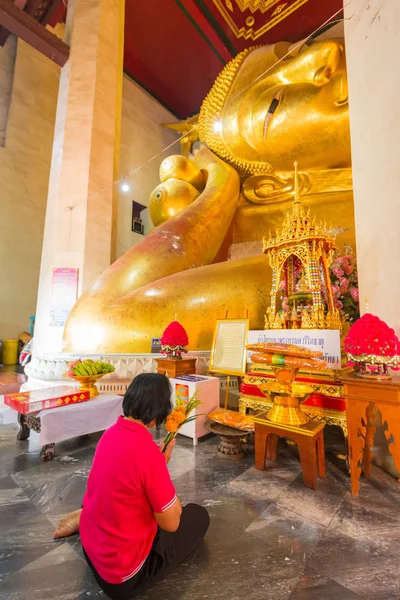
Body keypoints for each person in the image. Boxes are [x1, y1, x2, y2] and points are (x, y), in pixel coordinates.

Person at [53, 373, 210, 600]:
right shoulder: (148, 454)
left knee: (118, 492)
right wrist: (160, 467)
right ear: (158, 412)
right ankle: (86, 514)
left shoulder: (109, 434)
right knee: (197, 515)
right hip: (121, 578)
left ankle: (85, 514)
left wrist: (157, 464)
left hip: (92, 549)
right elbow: (171, 523)